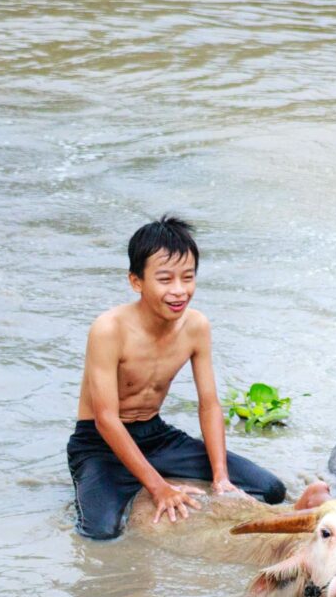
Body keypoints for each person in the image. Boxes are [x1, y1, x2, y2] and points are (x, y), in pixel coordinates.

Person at [66, 215, 294, 539]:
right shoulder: (108, 330)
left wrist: (221, 478)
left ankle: (157, 477)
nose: (179, 291)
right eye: (165, 279)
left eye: (187, 277)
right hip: (98, 443)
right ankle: (98, 487)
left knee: (271, 489)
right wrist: (159, 488)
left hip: (156, 436)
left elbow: (209, 405)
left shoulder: (196, 326)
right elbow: (105, 420)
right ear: (136, 281)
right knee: (100, 533)